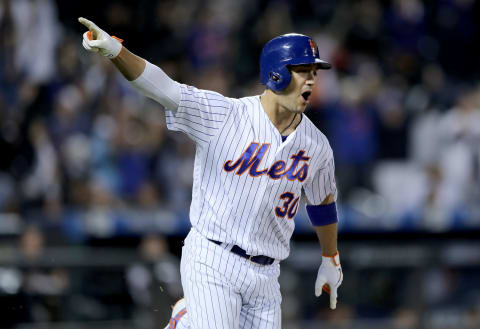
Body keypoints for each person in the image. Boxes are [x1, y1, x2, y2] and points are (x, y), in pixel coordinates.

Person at [78, 17, 343, 329]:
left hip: (267, 274)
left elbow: (323, 201)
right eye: (302, 71)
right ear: (276, 73)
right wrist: (114, 51)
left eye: (314, 72)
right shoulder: (225, 115)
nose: (312, 80)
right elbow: (165, 89)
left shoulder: (317, 145)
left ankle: (186, 321)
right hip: (214, 258)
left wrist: (330, 257)